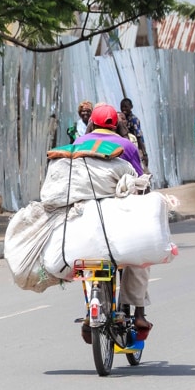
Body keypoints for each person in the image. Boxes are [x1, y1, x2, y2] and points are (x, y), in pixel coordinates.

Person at [73, 104, 152, 332]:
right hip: (118, 217)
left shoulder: (79, 143)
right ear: (115, 124)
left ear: (92, 123)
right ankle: (138, 313)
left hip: (84, 216)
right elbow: (139, 179)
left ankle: (90, 309)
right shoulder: (126, 144)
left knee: (85, 264)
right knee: (139, 260)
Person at [119, 98, 150, 170]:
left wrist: (144, 153)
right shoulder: (122, 118)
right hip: (129, 147)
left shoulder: (134, 120)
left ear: (131, 107)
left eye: (126, 107)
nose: (124, 109)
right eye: (122, 107)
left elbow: (139, 137)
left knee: (141, 167)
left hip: (137, 146)